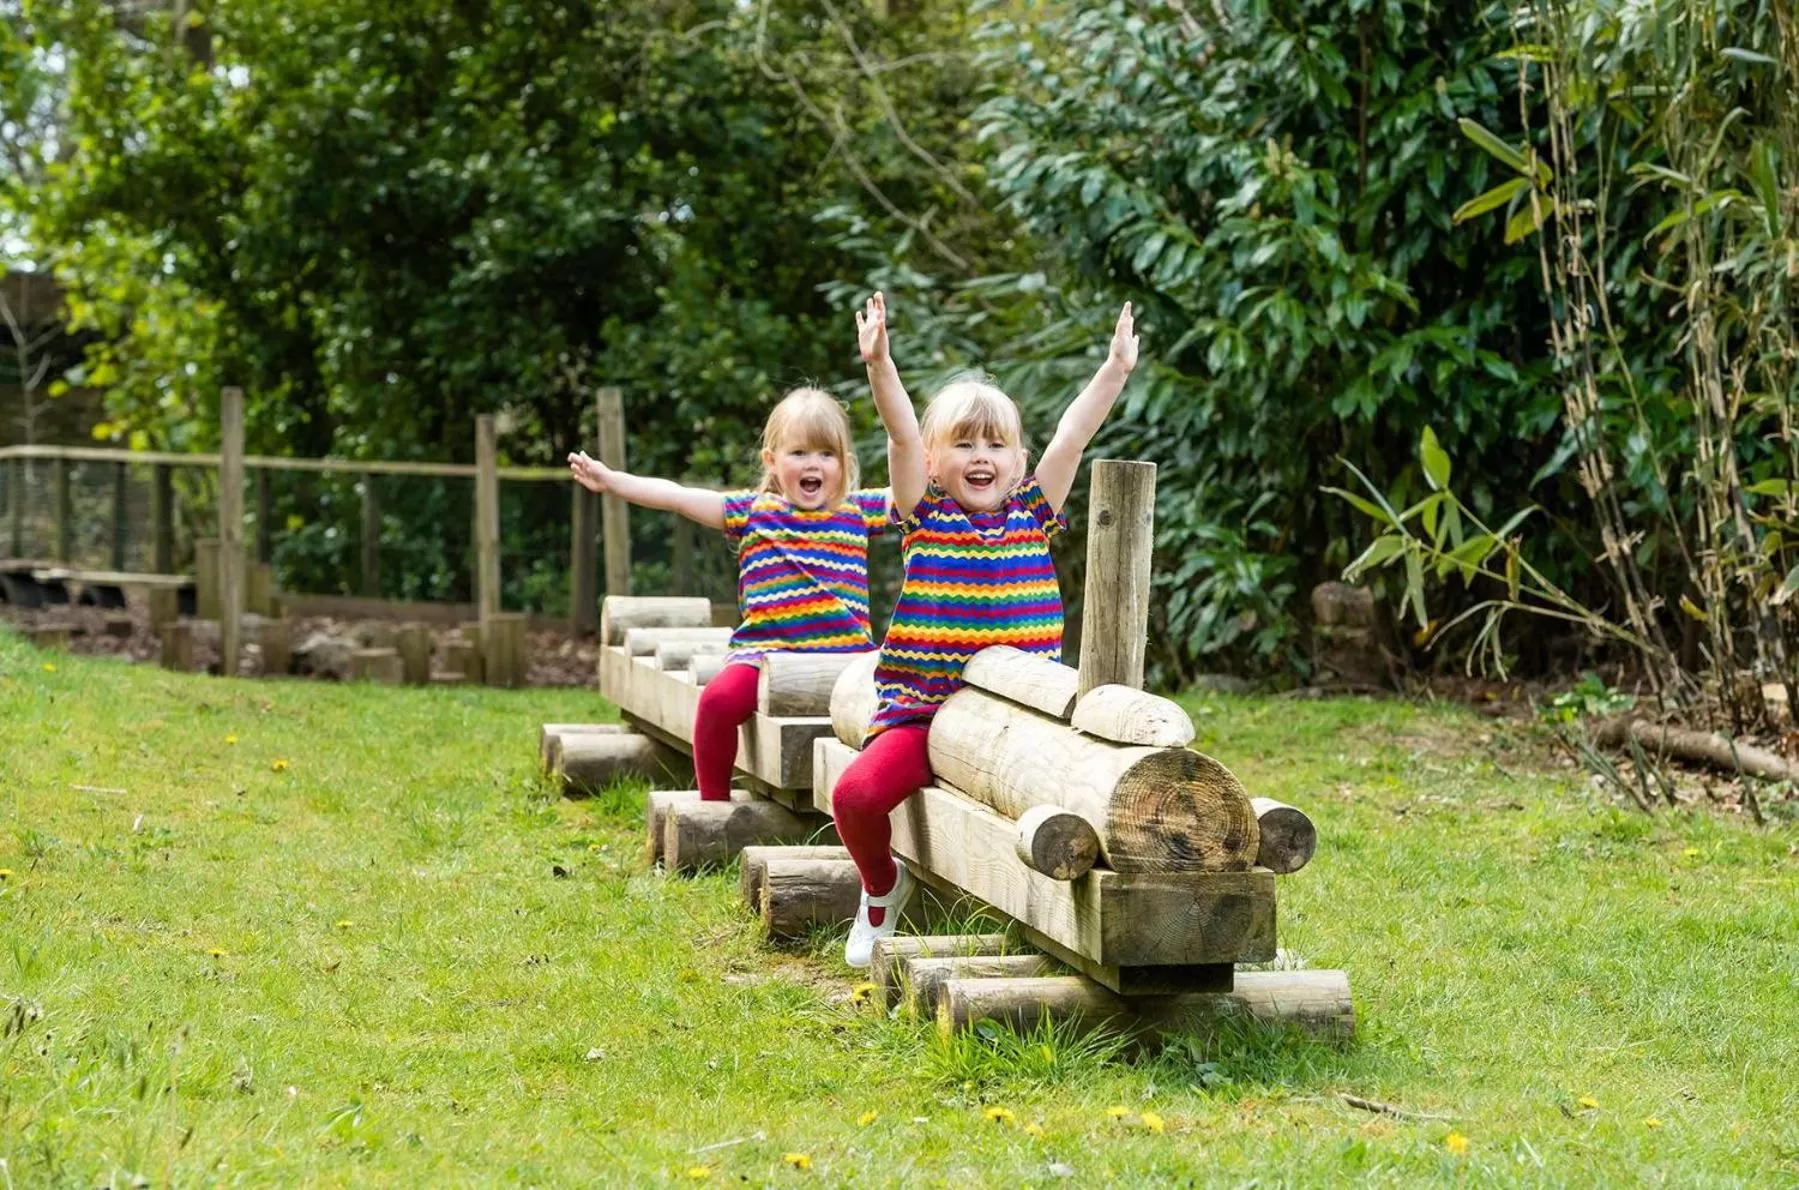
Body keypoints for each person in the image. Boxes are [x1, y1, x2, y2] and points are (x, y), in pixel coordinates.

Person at [833, 291, 1139, 967]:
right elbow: (900, 436)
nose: (981, 455)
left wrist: (1114, 369)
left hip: (1022, 716)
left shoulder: (1032, 510)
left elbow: (1073, 437)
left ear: (1018, 459)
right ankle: (881, 890)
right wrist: (879, 364)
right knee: (854, 794)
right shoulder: (924, 515)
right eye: (963, 443)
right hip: (926, 711)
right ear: (936, 462)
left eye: (996, 444)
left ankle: (1076, 917)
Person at [568, 388, 888, 803]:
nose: (813, 464)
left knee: (889, 715)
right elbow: (677, 497)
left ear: (844, 464)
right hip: (765, 654)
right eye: (799, 453)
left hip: (845, 657)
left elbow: (916, 492)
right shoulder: (753, 511)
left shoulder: (858, 511)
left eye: (826, 454)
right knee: (717, 702)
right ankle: (713, 804)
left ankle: (871, 803)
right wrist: (612, 481)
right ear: (772, 461)